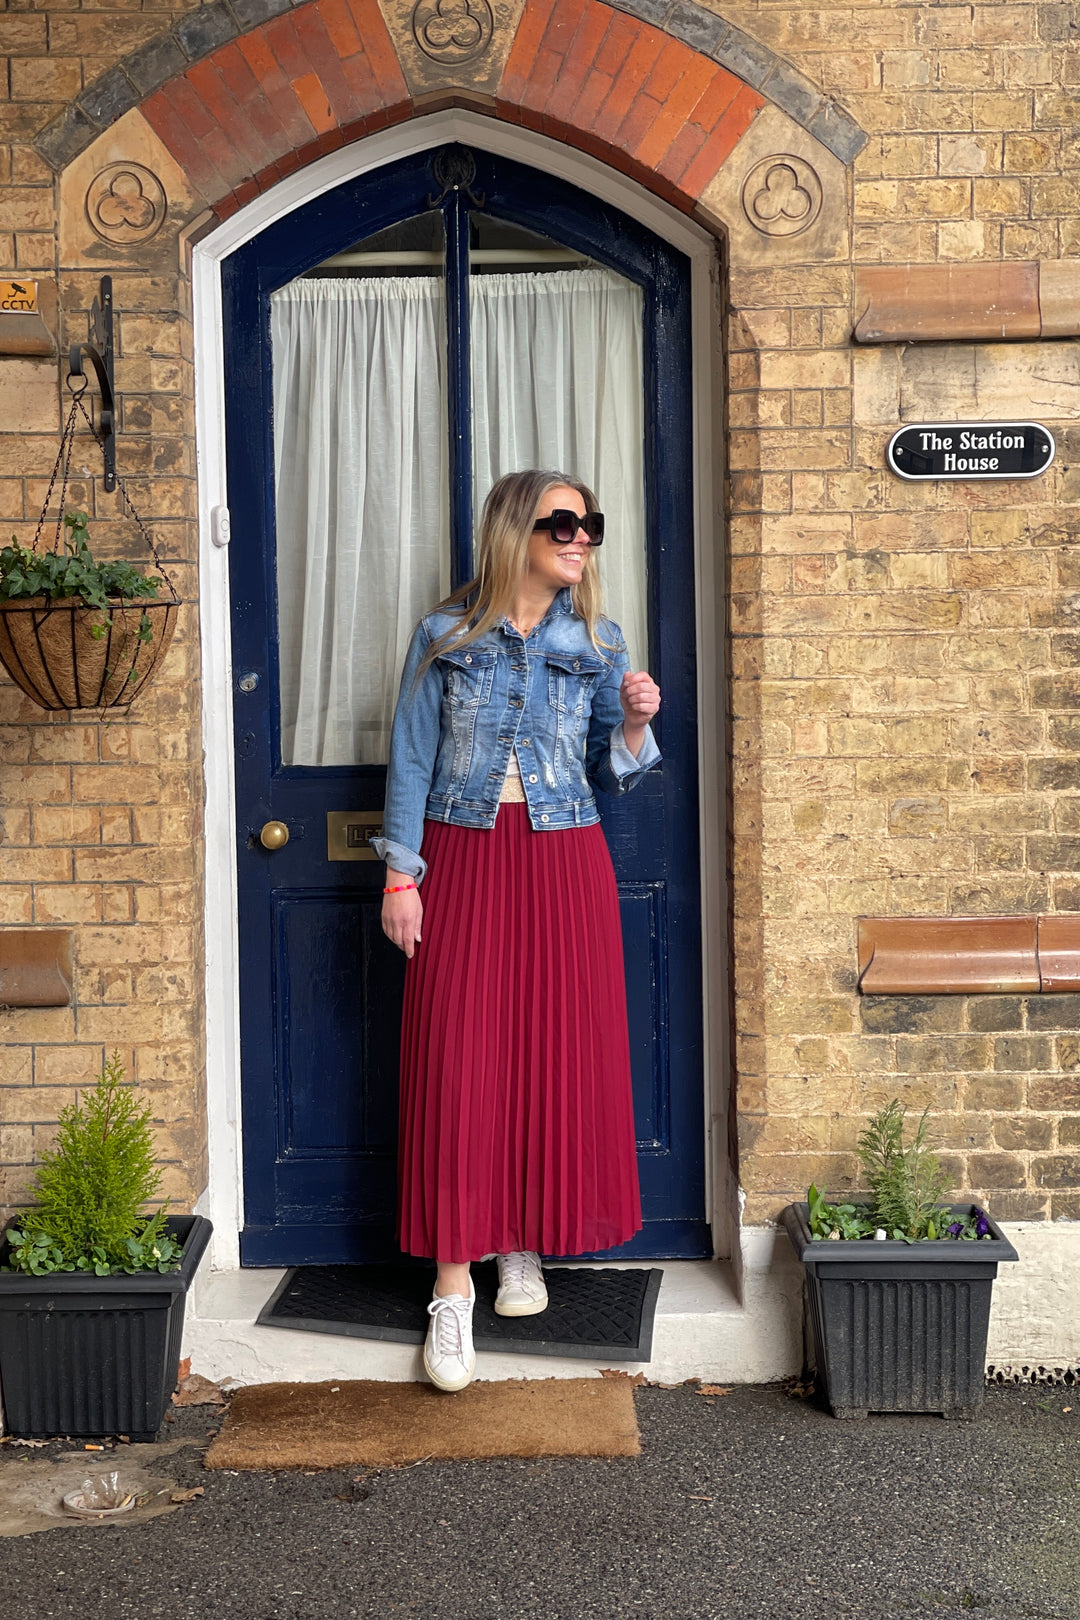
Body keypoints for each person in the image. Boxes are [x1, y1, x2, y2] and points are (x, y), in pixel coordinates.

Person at [372, 468, 661, 1391]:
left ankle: (521, 1243)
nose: (581, 539)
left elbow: (610, 775)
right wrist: (399, 875)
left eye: (590, 525)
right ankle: (452, 1285)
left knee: (550, 1055)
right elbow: (412, 758)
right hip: (461, 857)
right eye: (562, 524)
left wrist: (634, 726)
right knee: (460, 1057)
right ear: (513, 533)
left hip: (564, 862)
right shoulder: (445, 636)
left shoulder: (599, 642)